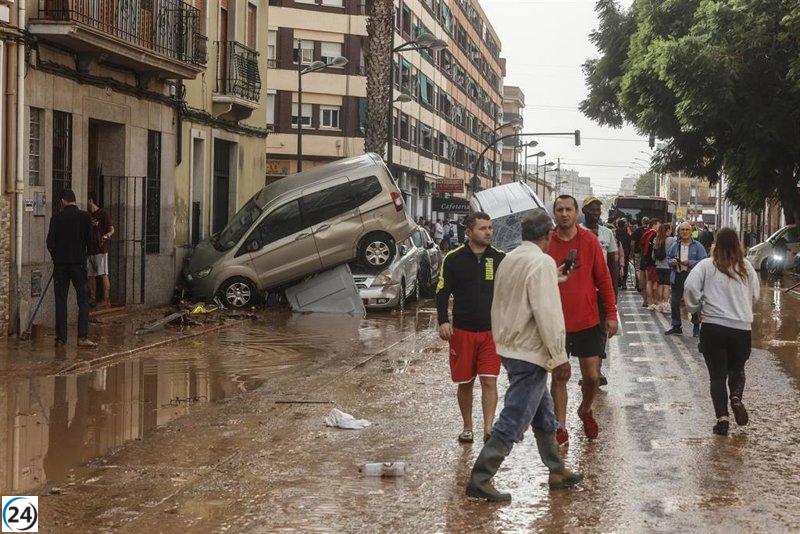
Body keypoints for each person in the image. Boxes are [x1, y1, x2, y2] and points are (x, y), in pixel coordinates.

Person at [466, 211, 582, 501]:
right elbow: (547, 311)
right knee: (514, 417)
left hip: (508, 344)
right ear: (548, 236)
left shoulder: (511, 258)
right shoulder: (540, 261)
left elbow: (519, 294)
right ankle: (481, 477)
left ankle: (557, 470)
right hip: (529, 350)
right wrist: (559, 356)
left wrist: (554, 277)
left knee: (544, 415)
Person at [548, 195, 618, 445]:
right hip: (555, 322)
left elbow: (604, 278)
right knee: (559, 375)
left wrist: (611, 314)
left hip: (588, 319)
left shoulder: (589, 240)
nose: (564, 214)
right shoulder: (547, 242)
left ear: (576, 213)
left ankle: (585, 409)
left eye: (568, 209)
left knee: (591, 376)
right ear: (554, 213)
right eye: (559, 210)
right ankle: (560, 426)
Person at [437, 212, 506, 444]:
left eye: (490, 228)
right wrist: (443, 321)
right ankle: (468, 427)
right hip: (462, 332)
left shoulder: (499, 258)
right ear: (468, 232)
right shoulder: (453, 259)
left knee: (489, 380)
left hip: (491, 333)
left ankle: (488, 428)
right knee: (465, 382)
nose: (488, 232)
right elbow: (442, 291)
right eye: (482, 228)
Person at [685, 228, 759, 436]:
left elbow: (690, 287)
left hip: (714, 327)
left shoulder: (707, 265)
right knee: (737, 369)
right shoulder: (747, 268)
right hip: (741, 329)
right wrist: (744, 309)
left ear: (716, 243)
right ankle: (735, 396)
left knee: (717, 377)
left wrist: (695, 308)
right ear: (738, 244)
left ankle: (722, 420)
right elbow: (755, 296)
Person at [46, 189, 97, 348]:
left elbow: (50, 243)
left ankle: (61, 338)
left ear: (62, 201)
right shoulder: (85, 217)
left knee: (61, 300)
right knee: (83, 300)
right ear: (75, 200)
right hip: (78, 265)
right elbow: (91, 242)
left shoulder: (56, 218)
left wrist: (57, 258)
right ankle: (82, 338)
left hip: (60, 266)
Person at [581, 197, 618, 387]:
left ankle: (597, 370)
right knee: (586, 331)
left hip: (602, 290)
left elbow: (613, 264)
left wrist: (614, 292)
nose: (595, 213)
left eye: (598, 210)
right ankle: (588, 371)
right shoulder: (577, 233)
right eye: (592, 209)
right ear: (584, 211)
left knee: (602, 330)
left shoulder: (607, 233)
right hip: (583, 291)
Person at [665, 222, 708, 337]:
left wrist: (689, 262)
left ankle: (696, 326)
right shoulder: (675, 245)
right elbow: (668, 258)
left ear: (691, 232)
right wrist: (672, 262)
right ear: (679, 232)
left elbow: (704, 262)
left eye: (687, 230)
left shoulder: (698, 246)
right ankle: (676, 326)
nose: (684, 232)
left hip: (692, 277)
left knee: (693, 302)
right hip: (677, 276)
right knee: (674, 302)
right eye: (682, 230)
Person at [87, 193, 115, 308]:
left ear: (90, 201)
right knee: (91, 275)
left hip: (100, 249)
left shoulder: (103, 213)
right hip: (90, 249)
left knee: (103, 273)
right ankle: (92, 298)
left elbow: (112, 229)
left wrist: (108, 235)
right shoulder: (87, 215)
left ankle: (106, 299)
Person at [652, 223, 675, 313]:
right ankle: (666, 304)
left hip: (658, 266)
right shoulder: (671, 240)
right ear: (668, 230)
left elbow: (653, 256)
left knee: (660, 285)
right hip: (668, 266)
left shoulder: (656, 239)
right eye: (670, 229)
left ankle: (660, 303)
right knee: (667, 286)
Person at [640, 219, 661, 308]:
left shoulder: (647, 233)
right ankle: (652, 301)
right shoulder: (654, 234)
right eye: (659, 224)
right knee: (652, 282)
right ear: (654, 225)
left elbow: (641, 244)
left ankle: (647, 301)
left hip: (645, 259)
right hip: (652, 261)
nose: (660, 227)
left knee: (647, 281)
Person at [631, 217, 649, 292]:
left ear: (642, 222)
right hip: (647, 253)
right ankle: (645, 283)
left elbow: (632, 243)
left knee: (637, 268)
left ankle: (639, 284)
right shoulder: (650, 230)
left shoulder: (637, 230)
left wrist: (631, 252)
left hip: (637, 252)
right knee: (645, 269)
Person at [616, 219, 632, 290]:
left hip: (616, 251)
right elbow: (630, 244)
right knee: (625, 267)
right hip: (625, 252)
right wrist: (630, 252)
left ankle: (618, 281)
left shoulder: (615, 233)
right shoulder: (627, 234)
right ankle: (624, 282)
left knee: (617, 266)